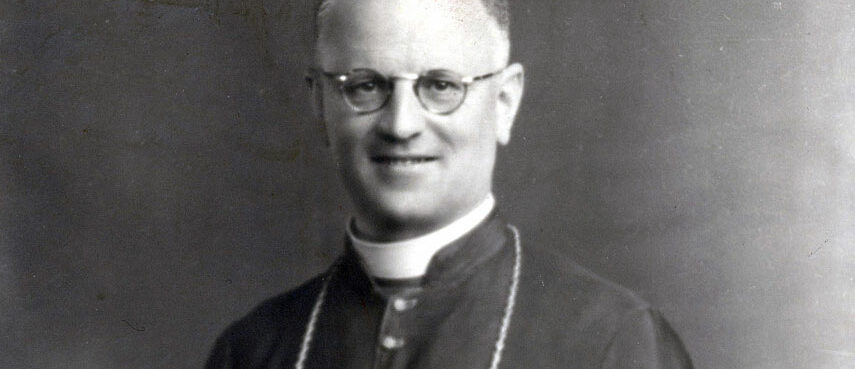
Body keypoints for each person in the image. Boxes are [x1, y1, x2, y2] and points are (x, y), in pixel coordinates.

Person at [205, 0, 694, 368]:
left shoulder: (615, 342)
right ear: (320, 106)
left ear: (504, 102)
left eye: (440, 85)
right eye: (365, 85)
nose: (400, 125)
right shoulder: (252, 350)